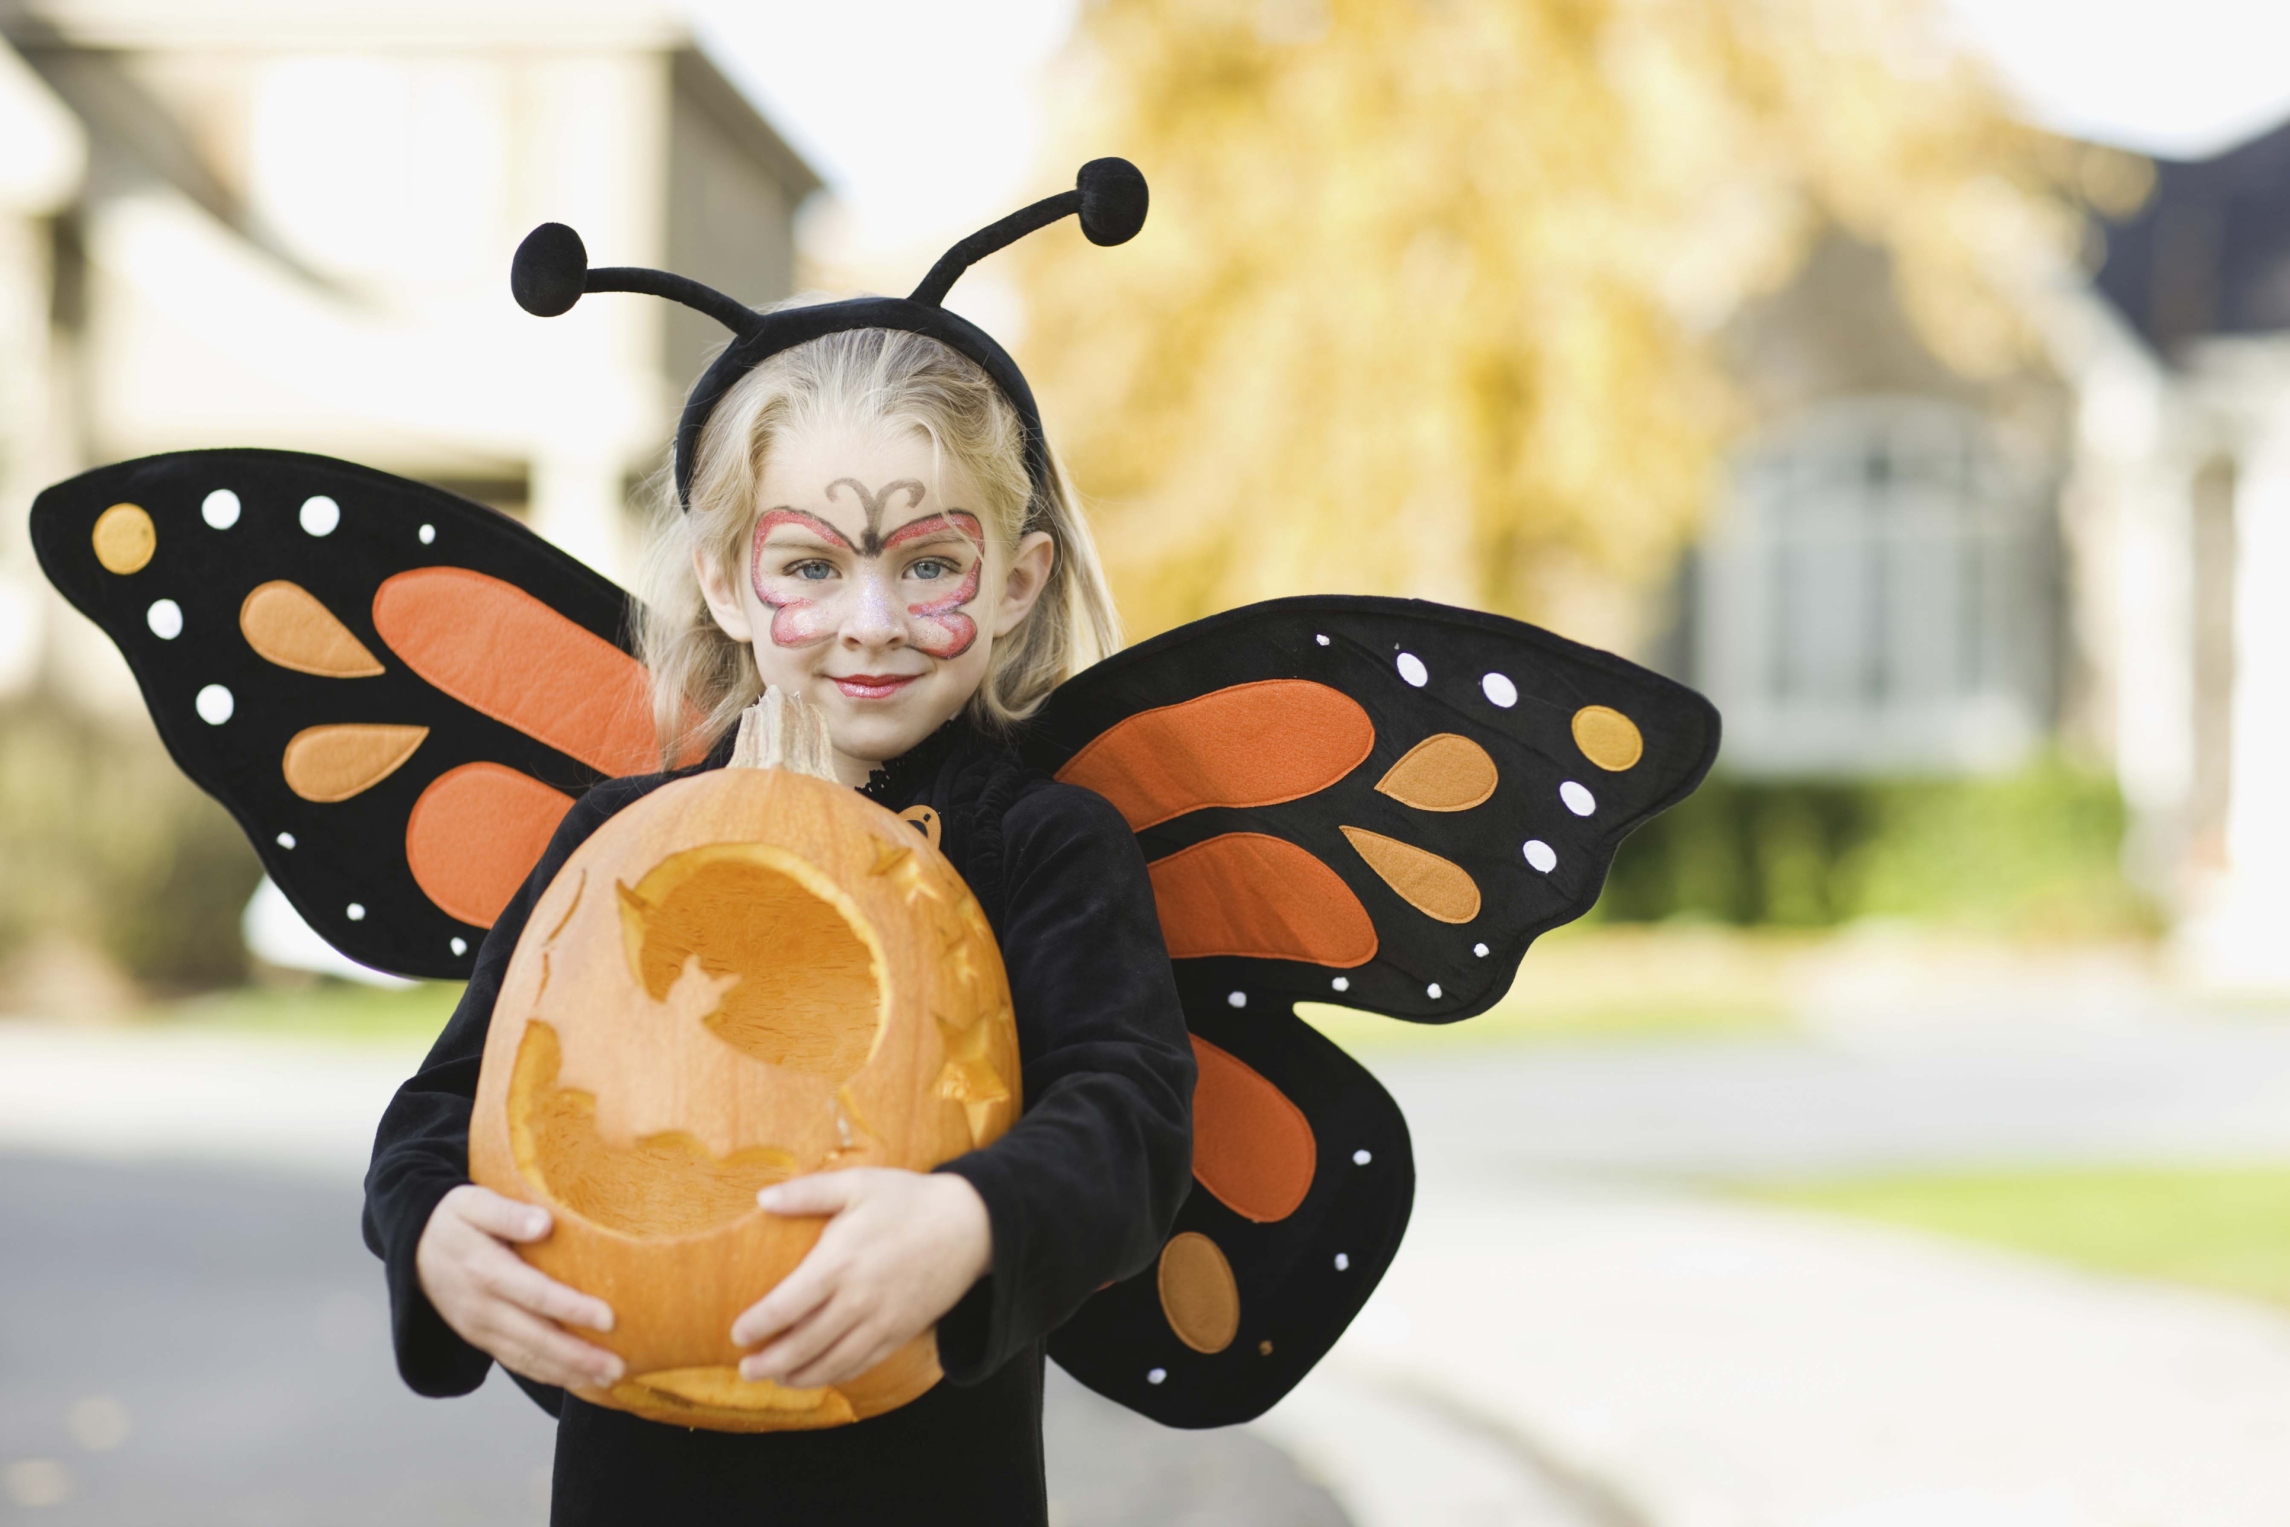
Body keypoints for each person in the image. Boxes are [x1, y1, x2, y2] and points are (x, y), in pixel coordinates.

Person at [362, 322, 1197, 1526]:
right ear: (725, 582)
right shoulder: (614, 840)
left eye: (928, 568)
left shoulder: (1045, 846)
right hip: (635, 1489)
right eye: (808, 567)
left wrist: (974, 1219)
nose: (870, 621)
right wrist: (431, 1230)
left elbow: (1130, 1118)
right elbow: (447, 1105)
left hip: (927, 1489)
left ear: (1014, 584)